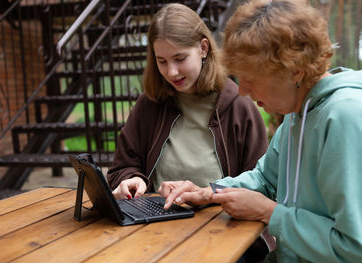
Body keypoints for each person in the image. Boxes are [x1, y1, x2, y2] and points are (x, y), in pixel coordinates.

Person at [159, 0, 362, 263]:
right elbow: (265, 177)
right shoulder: (297, 113)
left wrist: (271, 214)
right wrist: (209, 192)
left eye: (250, 78)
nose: (242, 91)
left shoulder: (348, 117)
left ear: (295, 69)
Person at [107, 3, 268, 201]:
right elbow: (121, 169)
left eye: (180, 58)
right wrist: (132, 180)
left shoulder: (239, 107)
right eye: (162, 61)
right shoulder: (149, 105)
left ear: (203, 48)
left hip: (223, 226)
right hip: (153, 225)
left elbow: (261, 184)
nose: (171, 72)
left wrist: (210, 197)